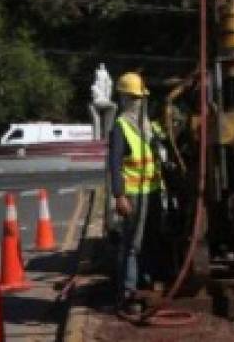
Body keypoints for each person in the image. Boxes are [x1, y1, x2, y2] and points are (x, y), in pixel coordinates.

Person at [107, 71, 162, 316]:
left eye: (142, 99)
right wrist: (119, 196)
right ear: (126, 99)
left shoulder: (148, 126)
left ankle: (146, 283)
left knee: (151, 242)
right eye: (135, 98)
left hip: (152, 192)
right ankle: (128, 293)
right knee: (132, 245)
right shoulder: (121, 127)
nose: (139, 103)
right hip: (133, 195)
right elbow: (115, 163)